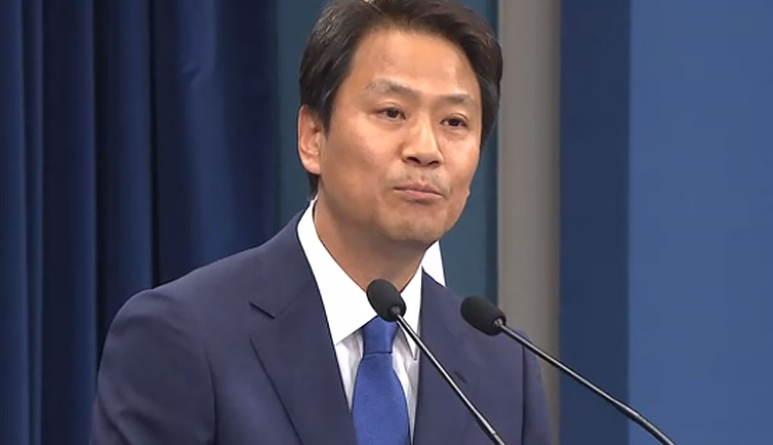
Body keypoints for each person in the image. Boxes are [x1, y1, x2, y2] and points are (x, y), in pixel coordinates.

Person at [90, 0, 552, 443]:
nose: (426, 150)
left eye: (454, 122)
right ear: (312, 136)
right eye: (392, 112)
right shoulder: (183, 335)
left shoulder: (504, 368)